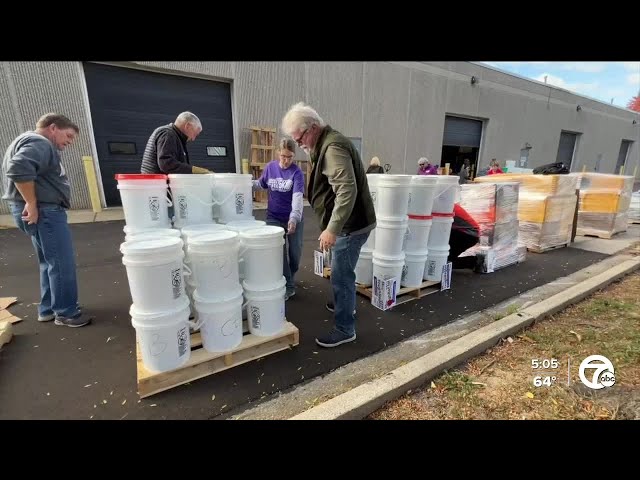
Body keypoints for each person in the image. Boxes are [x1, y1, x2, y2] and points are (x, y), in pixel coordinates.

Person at [281, 102, 376, 348]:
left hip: (350, 226)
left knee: (342, 276)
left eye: (299, 138)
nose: (299, 144)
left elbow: (346, 190)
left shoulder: (332, 147)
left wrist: (332, 229)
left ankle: (345, 328)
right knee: (341, 271)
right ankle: (343, 303)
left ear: (312, 128)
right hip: (348, 223)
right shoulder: (323, 143)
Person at [1, 113, 92, 327]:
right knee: (61, 262)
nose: (69, 142)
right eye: (68, 136)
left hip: (42, 211)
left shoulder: (26, 140)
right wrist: (31, 203)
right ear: (53, 128)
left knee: (49, 261)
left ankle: (49, 308)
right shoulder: (39, 143)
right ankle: (66, 312)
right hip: (46, 212)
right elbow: (19, 168)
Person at [252, 138, 305, 301]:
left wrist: (294, 218)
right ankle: (288, 286)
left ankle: (290, 274)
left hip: (293, 217)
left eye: (290, 157)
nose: (286, 160)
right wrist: (241, 183)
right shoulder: (270, 168)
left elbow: (297, 197)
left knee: (294, 254)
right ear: (278, 153)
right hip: (273, 217)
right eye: (283, 156)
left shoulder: (297, 173)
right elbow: (260, 184)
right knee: (279, 253)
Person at [140, 111, 211, 174]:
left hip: (156, 184)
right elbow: (166, 164)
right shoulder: (168, 134)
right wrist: (194, 170)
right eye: (195, 134)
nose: (193, 139)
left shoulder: (174, 136)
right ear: (188, 126)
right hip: (157, 186)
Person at [448, 203, 480, 270]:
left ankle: (474, 261)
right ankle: (473, 261)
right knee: (441, 258)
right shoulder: (444, 203)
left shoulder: (445, 208)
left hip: (467, 234)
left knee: (442, 260)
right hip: (464, 233)